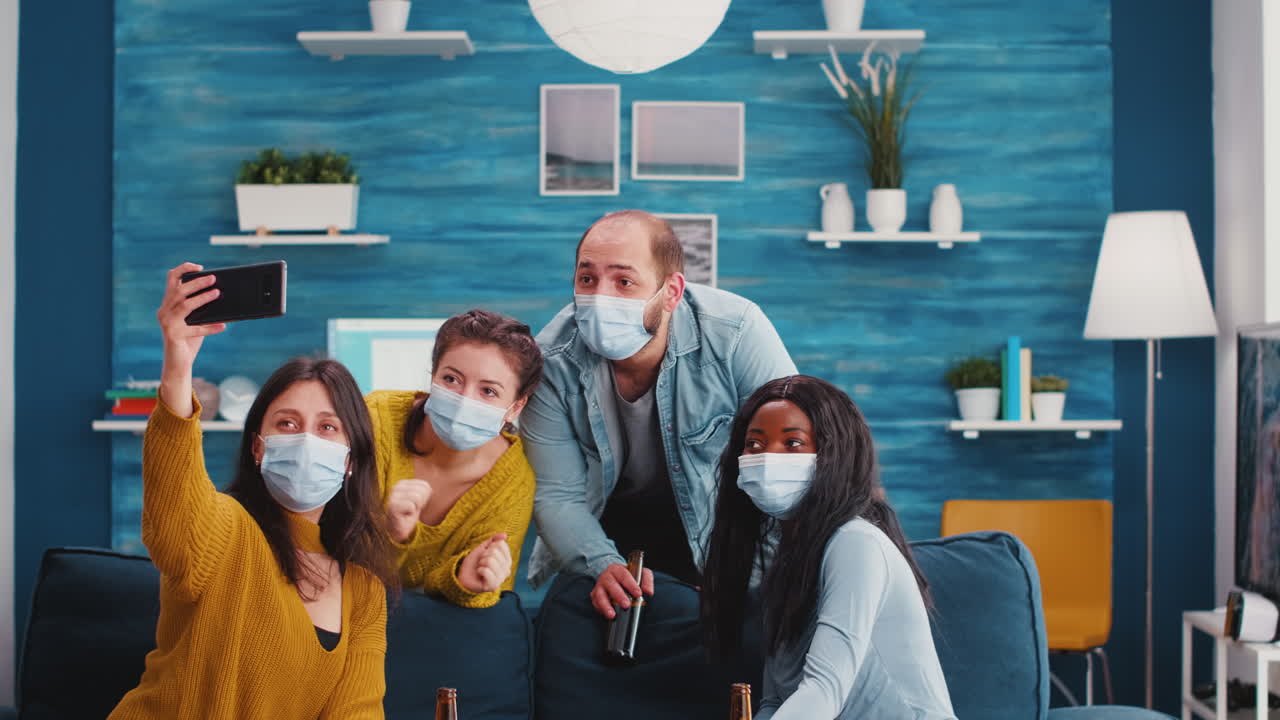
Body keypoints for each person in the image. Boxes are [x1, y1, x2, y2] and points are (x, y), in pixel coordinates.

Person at [111, 263, 397, 719]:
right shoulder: (225, 529)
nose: (306, 439)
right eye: (287, 423)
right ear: (259, 448)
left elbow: (357, 711)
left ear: (350, 462)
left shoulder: (364, 591)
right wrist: (177, 365)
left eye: (327, 427)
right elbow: (175, 516)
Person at [522, 209, 796, 618]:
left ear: (671, 292)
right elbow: (557, 495)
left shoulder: (736, 331)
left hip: (722, 533)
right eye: (587, 279)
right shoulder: (550, 362)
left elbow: (789, 463)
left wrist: (749, 577)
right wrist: (602, 565)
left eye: (624, 281)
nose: (600, 297)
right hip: (605, 537)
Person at [701, 375, 955, 720]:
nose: (767, 457)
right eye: (755, 445)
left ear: (833, 454)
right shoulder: (788, 564)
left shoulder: (856, 543)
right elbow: (774, 701)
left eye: (792, 443)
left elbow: (823, 691)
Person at [366, 309, 542, 608]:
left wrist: (464, 581)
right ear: (432, 376)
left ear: (515, 407)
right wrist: (390, 532)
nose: (464, 400)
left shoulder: (513, 484)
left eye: (488, 391)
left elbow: (489, 599)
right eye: (451, 379)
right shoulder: (373, 420)